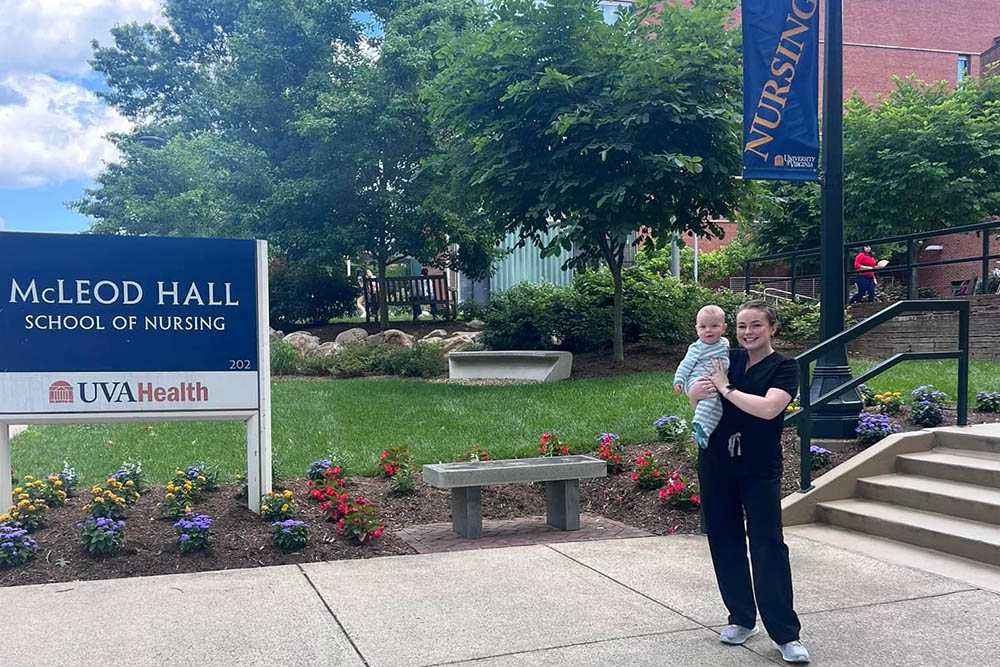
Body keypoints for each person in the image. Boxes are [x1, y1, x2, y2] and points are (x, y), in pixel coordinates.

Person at [687, 299, 809, 664]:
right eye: (741, 326)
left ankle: (785, 635)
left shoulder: (785, 367)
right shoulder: (727, 357)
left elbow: (769, 408)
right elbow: (695, 389)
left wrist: (725, 390)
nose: (747, 333)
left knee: (767, 544)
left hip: (758, 467)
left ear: (772, 328)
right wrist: (697, 391)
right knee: (724, 540)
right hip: (716, 463)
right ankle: (741, 618)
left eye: (755, 325)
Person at [673, 305, 730, 448]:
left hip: (715, 380)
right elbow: (685, 365)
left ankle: (704, 433)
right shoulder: (697, 348)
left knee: (718, 408)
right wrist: (679, 380)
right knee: (710, 399)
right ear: (697, 329)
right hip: (698, 379)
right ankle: (698, 422)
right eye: (703, 327)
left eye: (714, 326)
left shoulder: (725, 343)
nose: (708, 330)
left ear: (723, 328)